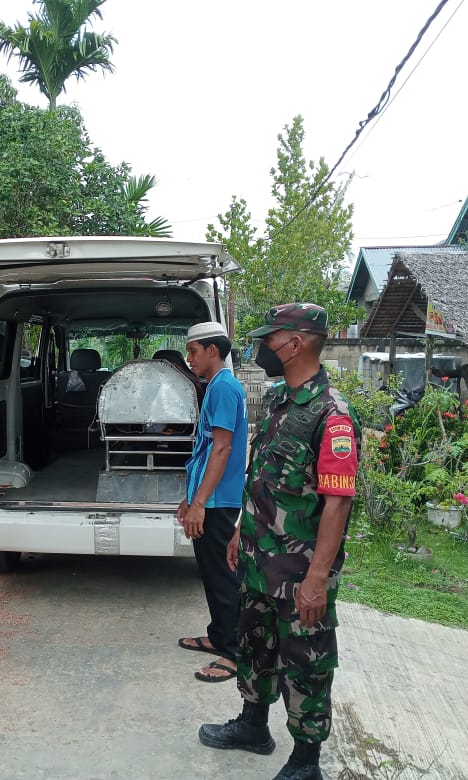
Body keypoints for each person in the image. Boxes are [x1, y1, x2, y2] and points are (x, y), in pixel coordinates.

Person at [198, 303, 360, 780]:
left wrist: (316, 579)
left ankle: (306, 761)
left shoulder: (332, 415)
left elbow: (338, 504)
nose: (260, 348)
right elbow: (262, 476)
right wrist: (239, 534)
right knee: (255, 647)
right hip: (257, 558)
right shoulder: (278, 400)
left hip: (299, 574)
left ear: (295, 343)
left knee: (305, 664)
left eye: (268, 340)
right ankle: (253, 726)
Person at [176, 322, 248, 683]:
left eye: (192, 351)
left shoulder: (223, 388)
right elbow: (205, 450)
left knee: (223, 576)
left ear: (213, 351)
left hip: (218, 500)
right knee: (211, 572)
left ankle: (233, 652)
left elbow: (222, 449)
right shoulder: (217, 386)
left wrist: (200, 502)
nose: (189, 359)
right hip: (209, 496)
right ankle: (219, 635)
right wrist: (189, 498)